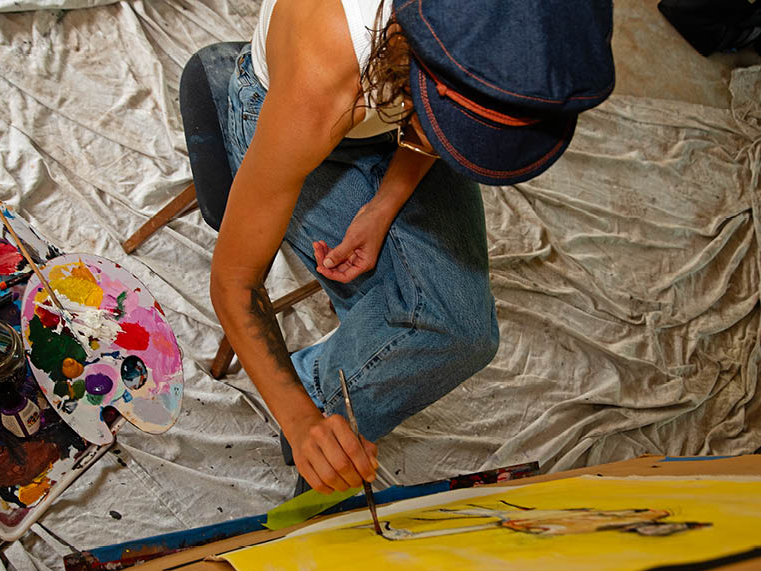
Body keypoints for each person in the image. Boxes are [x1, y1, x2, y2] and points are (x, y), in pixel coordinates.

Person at [181, 0, 615, 495]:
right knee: (413, 322)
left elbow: (435, 129)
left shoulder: (503, 37)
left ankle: (318, 381)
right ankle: (314, 408)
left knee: (465, 334)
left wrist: (383, 204)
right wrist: (299, 420)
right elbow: (235, 280)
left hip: (392, 113)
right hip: (290, 109)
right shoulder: (323, 67)